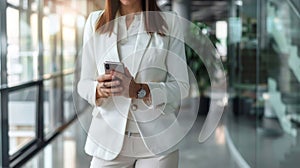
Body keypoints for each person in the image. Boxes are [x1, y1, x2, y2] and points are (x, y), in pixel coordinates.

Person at [77, 0, 189, 167]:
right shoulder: (95, 22)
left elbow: (182, 86)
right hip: (108, 141)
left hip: (158, 145)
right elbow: (83, 84)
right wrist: (98, 90)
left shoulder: (169, 22)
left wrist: (140, 91)